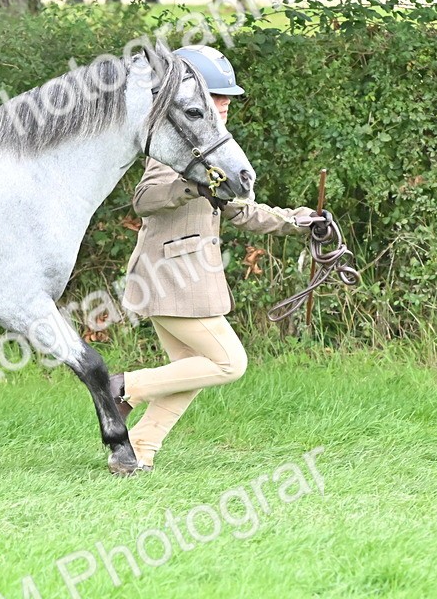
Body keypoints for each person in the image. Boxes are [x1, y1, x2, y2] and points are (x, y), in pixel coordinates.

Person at [108, 45, 322, 473]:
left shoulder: (219, 150)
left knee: (191, 371)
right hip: (168, 279)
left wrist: (301, 222)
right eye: (215, 96)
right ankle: (123, 388)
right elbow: (144, 199)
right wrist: (191, 188)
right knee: (229, 363)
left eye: (227, 98)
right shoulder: (172, 149)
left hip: (194, 281)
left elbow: (242, 211)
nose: (223, 105)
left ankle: (138, 452)